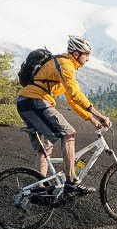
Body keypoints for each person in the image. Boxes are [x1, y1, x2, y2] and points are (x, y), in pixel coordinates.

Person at [15, 36, 112, 194]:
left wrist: (92, 119)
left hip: (27, 102)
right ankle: (71, 180)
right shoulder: (65, 64)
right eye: (86, 55)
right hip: (34, 100)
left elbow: (71, 100)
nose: (88, 59)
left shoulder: (64, 65)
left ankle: (39, 190)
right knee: (69, 133)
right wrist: (100, 115)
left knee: (45, 148)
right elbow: (75, 94)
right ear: (76, 54)